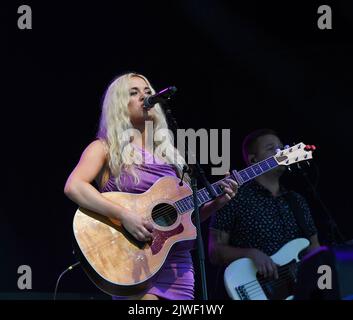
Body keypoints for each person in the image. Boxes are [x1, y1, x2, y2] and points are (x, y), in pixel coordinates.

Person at [64, 72, 238, 300]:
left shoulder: (172, 157)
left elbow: (183, 220)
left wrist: (217, 203)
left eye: (148, 92)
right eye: (134, 93)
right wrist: (124, 215)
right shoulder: (104, 148)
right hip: (133, 259)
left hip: (177, 267)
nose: (144, 96)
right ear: (118, 105)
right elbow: (74, 186)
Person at [208, 128, 320, 298]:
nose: (280, 152)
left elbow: (314, 248)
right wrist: (250, 254)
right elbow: (214, 251)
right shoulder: (233, 197)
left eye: (282, 148)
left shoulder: (296, 200)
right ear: (253, 159)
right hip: (254, 289)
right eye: (271, 148)